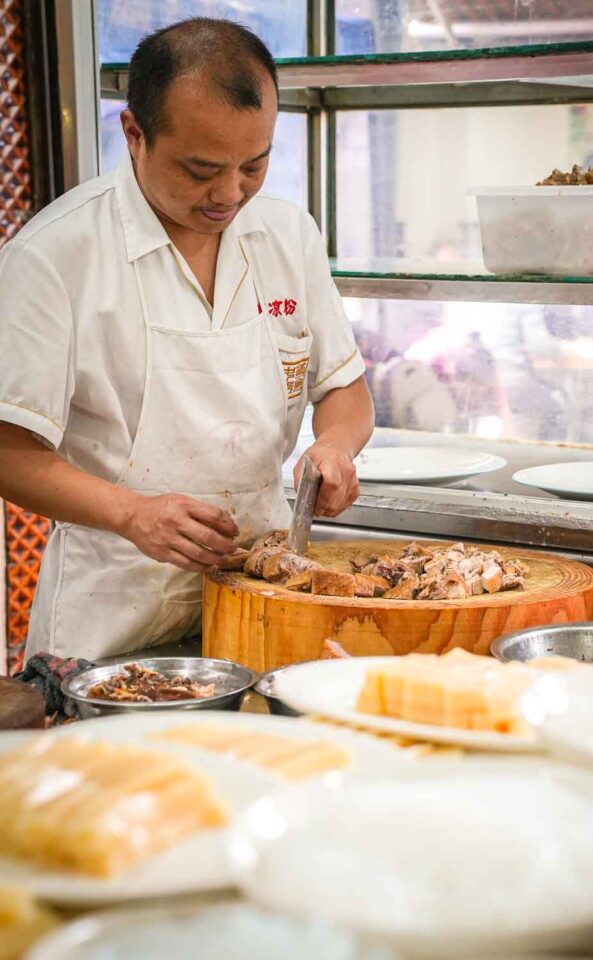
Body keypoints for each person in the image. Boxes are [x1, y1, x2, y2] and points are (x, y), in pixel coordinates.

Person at [0, 18, 374, 660]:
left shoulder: (288, 235)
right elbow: (8, 450)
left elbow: (345, 389)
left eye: (254, 165)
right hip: (111, 615)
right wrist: (132, 513)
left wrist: (335, 449)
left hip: (262, 597)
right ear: (134, 133)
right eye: (201, 169)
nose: (229, 193)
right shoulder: (54, 256)